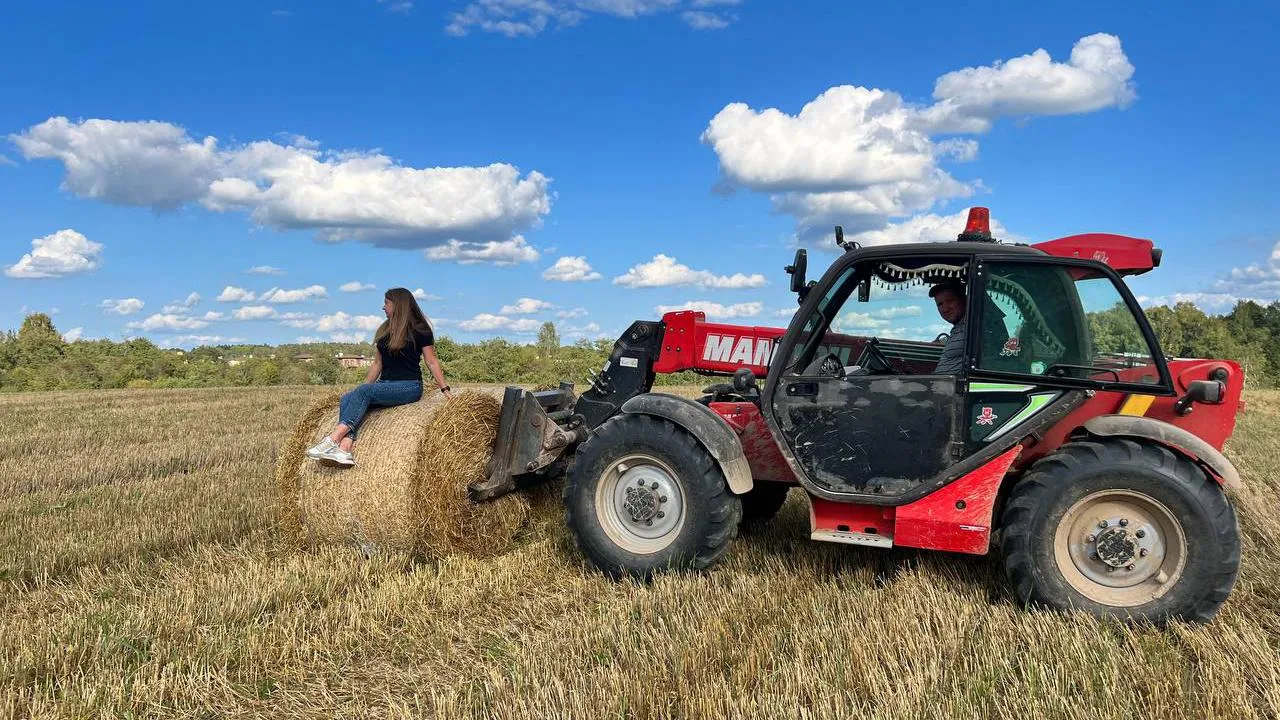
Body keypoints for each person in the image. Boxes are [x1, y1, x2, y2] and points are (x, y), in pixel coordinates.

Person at [306, 287, 453, 468]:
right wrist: (361, 393)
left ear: (398, 305)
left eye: (386, 303)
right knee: (348, 398)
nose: (383, 307)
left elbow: (431, 361)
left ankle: (332, 440)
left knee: (361, 393)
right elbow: (377, 364)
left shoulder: (420, 330)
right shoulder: (385, 330)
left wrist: (444, 389)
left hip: (409, 386)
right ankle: (345, 449)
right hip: (386, 384)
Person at [930, 281, 968, 374]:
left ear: (963, 299)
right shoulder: (957, 329)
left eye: (950, 301)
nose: (945, 309)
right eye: (940, 304)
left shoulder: (972, 325)